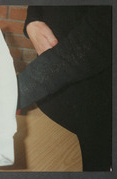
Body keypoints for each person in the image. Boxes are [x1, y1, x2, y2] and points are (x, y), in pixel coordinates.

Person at [17, 6, 112, 171]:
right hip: (49, 99)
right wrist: (33, 20)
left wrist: (16, 90)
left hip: (96, 107)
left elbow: (97, 37)